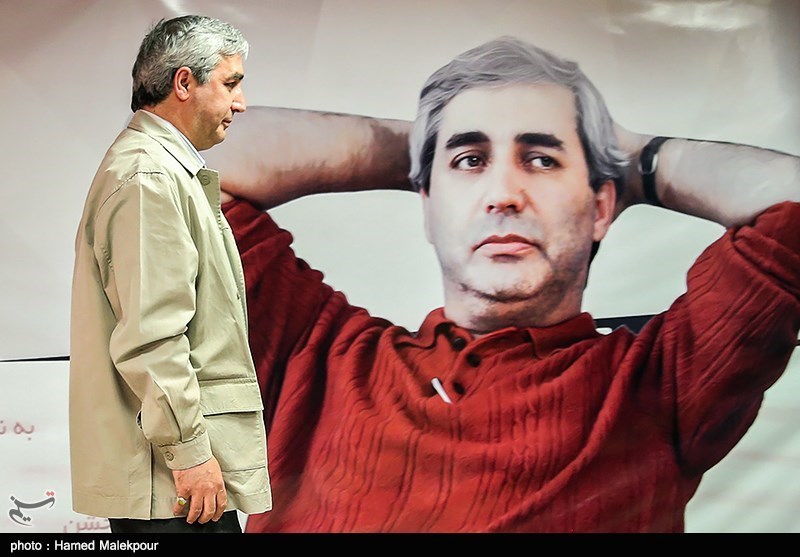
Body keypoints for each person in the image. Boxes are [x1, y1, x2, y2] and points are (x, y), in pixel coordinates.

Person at [207, 36, 800, 532]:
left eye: (542, 160)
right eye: (470, 162)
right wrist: (425, 147)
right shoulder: (314, 354)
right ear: (427, 206)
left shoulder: (662, 383)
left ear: (601, 207)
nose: (504, 195)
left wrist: (632, 159)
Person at [69, 15, 271, 534]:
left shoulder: (159, 170)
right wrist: (190, 454)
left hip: (171, 477)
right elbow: (152, 337)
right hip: (172, 483)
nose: (241, 102)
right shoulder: (150, 177)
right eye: (231, 83)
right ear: (184, 83)